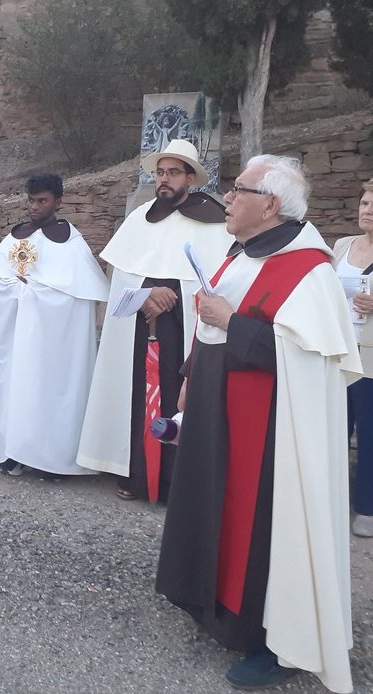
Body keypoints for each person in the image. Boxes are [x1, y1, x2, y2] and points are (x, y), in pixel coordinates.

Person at [156, 155, 360, 693]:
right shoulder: (241, 253)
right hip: (214, 404)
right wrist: (187, 373)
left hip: (274, 432)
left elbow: (311, 359)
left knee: (265, 522)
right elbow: (213, 323)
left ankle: (276, 639)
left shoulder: (309, 269)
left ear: (270, 203)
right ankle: (214, 604)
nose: (226, 198)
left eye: (237, 190)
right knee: (212, 498)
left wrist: (233, 322)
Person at [76, 139, 232, 502]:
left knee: (179, 402)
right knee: (135, 398)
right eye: (160, 172)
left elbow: (218, 280)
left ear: (190, 177)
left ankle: (176, 479)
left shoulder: (214, 221)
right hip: (138, 331)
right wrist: (147, 293)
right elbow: (122, 278)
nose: (164, 179)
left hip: (183, 331)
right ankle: (135, 472)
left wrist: (171, 294)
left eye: (173, 172)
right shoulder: (140, 218)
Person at [0, 172, 109, 476]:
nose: (34, 207)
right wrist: (15, 287)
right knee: (13, 390)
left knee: (43, 392)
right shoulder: (15, 236)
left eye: (42, 201)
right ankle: (9, 450)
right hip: (13, 338)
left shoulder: (71, 243)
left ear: (58, 202)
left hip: (49, 343)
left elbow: (78, 298)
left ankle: (49, 458)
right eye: (31, 200)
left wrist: (34, 290)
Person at [333, 175, 373, 538]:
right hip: (339, 352)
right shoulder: (342, 245)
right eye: (366, 203)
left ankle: (368, 507)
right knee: (334, 429)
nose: (369, 210)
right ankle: (332, 501)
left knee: (372, 435)